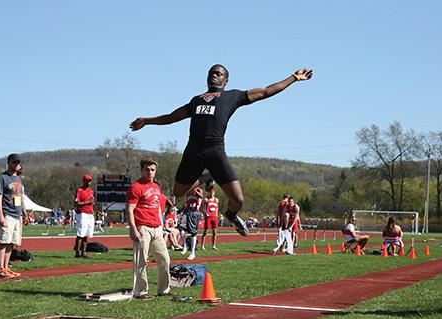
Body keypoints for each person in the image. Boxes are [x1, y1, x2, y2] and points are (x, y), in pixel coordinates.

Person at [130, 65, 313, 237]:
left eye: (218, 73)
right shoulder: (196, 100)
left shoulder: (233, 96)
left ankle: (231, 215)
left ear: (226, 80)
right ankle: (205, 177)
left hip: (215, 151)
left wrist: (294, 77)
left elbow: (266, 91)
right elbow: (171, 117)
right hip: (193, 150)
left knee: (238, 201)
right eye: (211, 72)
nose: (214, 75)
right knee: (178, 192)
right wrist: (146, 121)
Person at [126, 157, 171, 299]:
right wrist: (133, 229)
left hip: (157, 228)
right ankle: (141, 291)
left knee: (165, 260)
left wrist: (162, 226)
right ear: (141, 170)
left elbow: (158, 207)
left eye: (152, 170)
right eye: (147, 169)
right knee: (140, 261)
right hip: (142, 227)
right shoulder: (136, 187)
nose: (150, 172)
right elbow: (129, 209)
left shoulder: (156, 187)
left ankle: (164, 289)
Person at [0, 153, 28, 278]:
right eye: (14, 162)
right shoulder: (2, 178)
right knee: (3, 242)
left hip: (16, 215)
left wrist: (24, 213)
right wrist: (1, 215)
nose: (17, 165)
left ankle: (6, 268)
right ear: (9, 162)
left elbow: (20, 197)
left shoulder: (18, 179)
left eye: (18, 162)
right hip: (6, 214)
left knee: (11, 243)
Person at [178, 187, 204, 260]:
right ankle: (185, 246)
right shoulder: (188, 191)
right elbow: (186, 203)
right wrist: (181, 211)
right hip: (187, 211)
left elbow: (201, 196)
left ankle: (192, 253)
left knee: (193, 233)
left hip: (195, 212)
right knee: (180, 227)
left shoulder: (199, 189)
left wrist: (195, 190)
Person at [74, 174, 95, 258]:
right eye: (88, 180)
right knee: (81, 233)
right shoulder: (79, 190)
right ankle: (77, 252)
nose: (89, 182)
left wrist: (91, 203)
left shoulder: (91, 191)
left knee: (87, 234)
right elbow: (76, 203)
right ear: (84, 181)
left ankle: (84, 252)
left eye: (90, 180)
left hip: (90, 213)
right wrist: (87, 202)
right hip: (82, 213)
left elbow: (92, 201)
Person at [200, 185, 219, 251]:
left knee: (215, 232)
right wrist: (205, 213)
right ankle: (202, 245)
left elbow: (217, 208)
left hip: (214, 217)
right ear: (209, 192)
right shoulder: (206, 199)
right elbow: (201, 207)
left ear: (214, 192)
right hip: (208, 217)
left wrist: (216, 213)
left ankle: (213, 245)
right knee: (205, 232)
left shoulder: (216, 199)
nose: (211, 193)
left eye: (213, 191)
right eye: (210, 191)